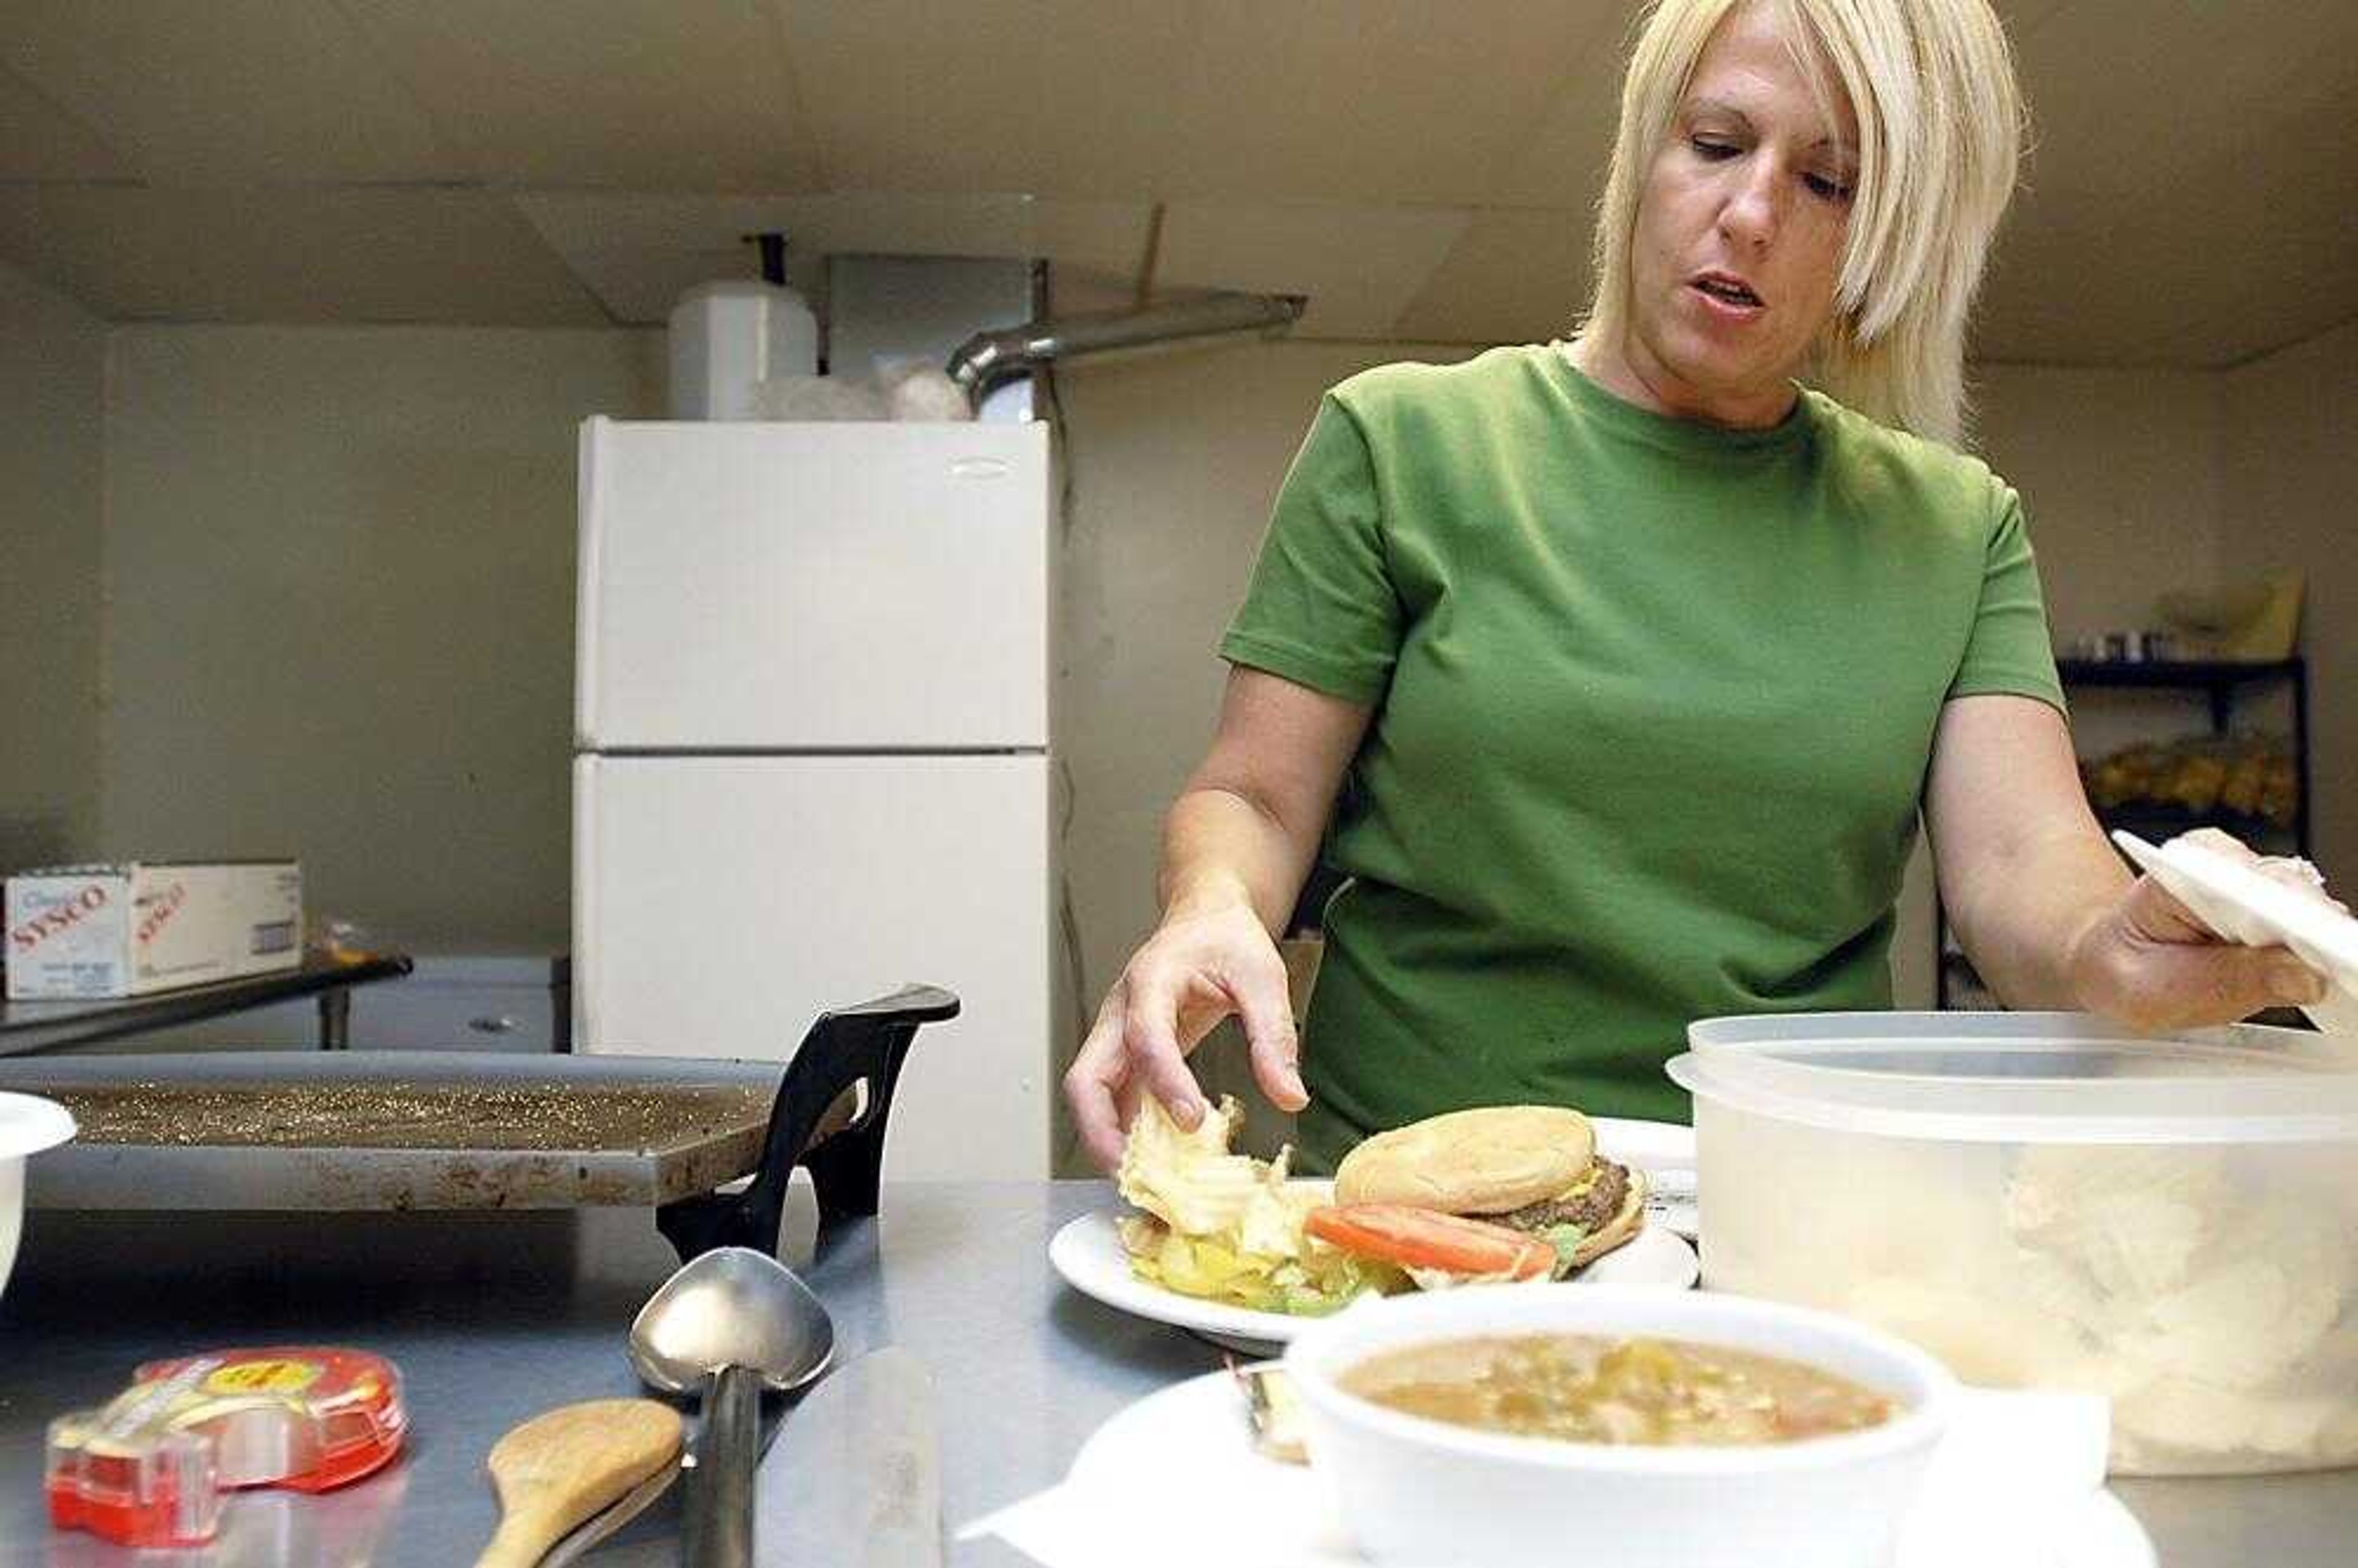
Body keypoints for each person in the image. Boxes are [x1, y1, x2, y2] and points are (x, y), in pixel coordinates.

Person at [1065, 0, 2340, 1173]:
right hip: (1413, 1197)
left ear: (1884, 244)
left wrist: (2121, 943)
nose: (1750, 212)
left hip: (1786, 1205)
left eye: (1828, 182)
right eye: (1717, 142)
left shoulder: (1954, 528)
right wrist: (1213, 905)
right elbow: (1254, 793)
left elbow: (2021, 868)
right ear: (1642, 154)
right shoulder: (1403, 445)